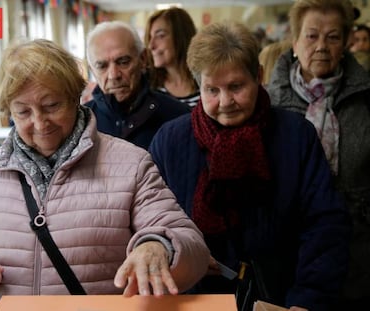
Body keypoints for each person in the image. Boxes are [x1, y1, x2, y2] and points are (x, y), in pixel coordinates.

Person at [0, 38, 210, 305]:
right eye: (23, 111)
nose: (39, 123)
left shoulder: (130, 164)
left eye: (52, 106)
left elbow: (193, 248)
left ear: (76, 97)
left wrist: (158, 247)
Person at [149, 21, 350, 311]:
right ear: (198, 86)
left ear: (258, 76)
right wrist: (178, 254)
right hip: (197, 297)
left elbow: (325, 224)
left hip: (284, 294)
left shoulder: (295, 134)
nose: (225, 101)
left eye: (236, 87)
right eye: (212, 90)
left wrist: (308, 299)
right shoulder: (171, 140)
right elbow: (152, 220)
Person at [266, 0, 370, 310]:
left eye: (332, 37)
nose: (321, 46)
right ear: (294, 41)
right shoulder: (267, 101)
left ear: (345, 42)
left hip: (358, 261)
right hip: (284, 261)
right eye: (311, 35)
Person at [84, 21, 190, 150]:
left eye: (123, 62)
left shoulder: (179, 117)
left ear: (143, 59)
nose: (113, 75)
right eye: (102, 66)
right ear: (91, 70)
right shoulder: (80, 123)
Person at [145, 7, 200, 108]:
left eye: (160, 36)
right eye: (150, 37)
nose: (151, 46)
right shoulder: (148, 85)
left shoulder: (208, 81)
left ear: (181, 36)